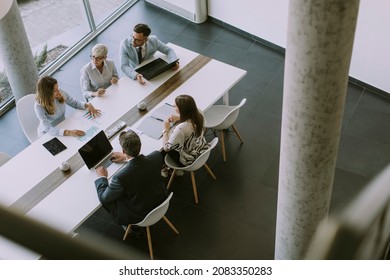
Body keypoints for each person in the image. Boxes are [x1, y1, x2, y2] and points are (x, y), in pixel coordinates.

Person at [94, 130, 168, 230]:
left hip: (141, 213)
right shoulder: (156, 156)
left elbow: (104, 198)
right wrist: (126, 157)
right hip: (161, 199)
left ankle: (130, 227)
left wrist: (102, 177)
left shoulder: (120, 177)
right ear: (140, 145)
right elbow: (141, 167)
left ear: (123, 150)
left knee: (110, 200)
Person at [34, 75, 101, 137]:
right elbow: (48, 128)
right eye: (55, 90)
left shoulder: (60, 92)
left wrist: (86, 105)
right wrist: (68, 132)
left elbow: (74, 103)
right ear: (47, 93)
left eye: (57, 87)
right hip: (49, 134)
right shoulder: (39, 106)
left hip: (63, 125)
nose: (58, 91)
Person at [162, 94, 209, 168]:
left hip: (189, 159)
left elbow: (166, 148)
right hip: (201, 148)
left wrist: (165, 129)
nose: (173, 105)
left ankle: (172, 170)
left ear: (181, 109)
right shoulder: (199, 113)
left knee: (161, 151)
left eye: (175, 106)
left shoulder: (181, 128)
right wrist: (179, 118)